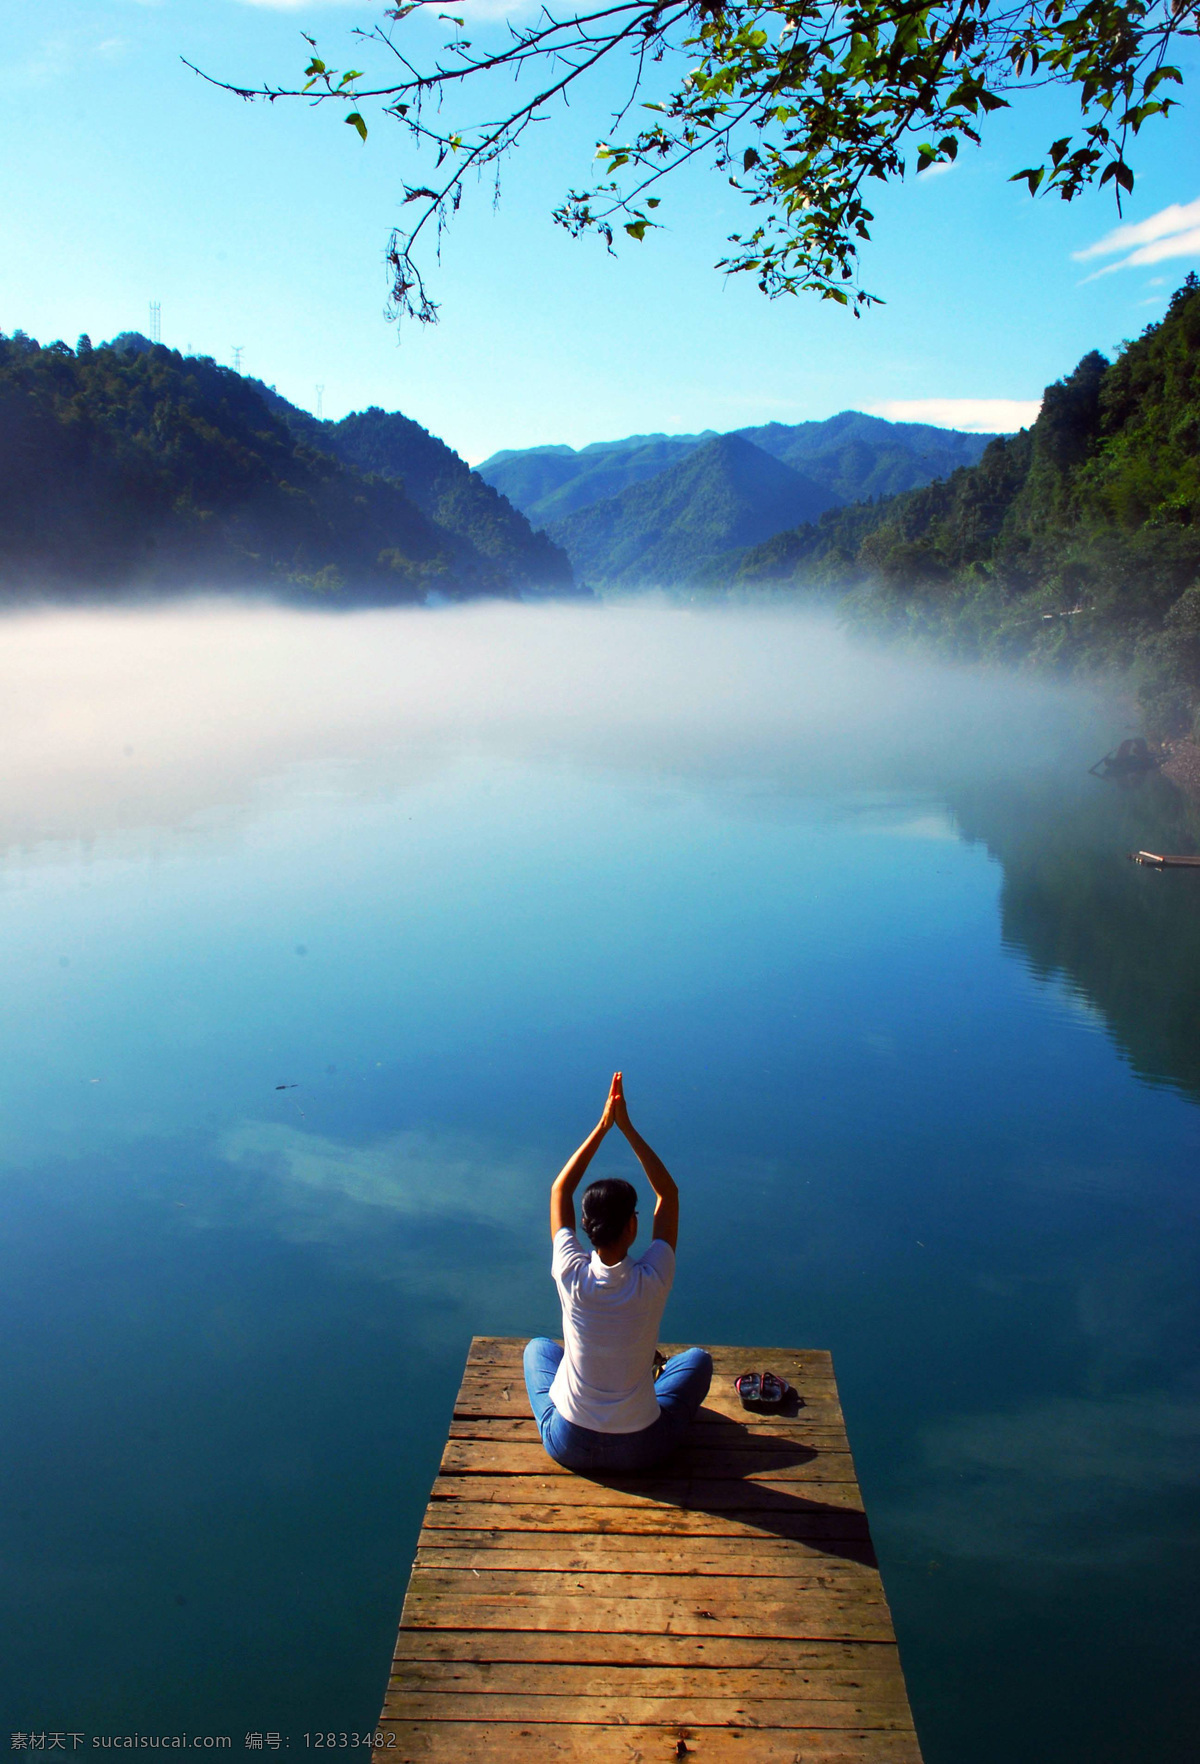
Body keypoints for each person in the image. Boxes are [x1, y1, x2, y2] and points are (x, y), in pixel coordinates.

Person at [523, 1072, 712, 1473]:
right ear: (632, 1226)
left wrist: (602, 1126)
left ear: (586, 1228)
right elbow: (669, 1195)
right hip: (641, 1449)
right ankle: (651, 1385)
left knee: (538, 1349)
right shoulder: (653, 1277)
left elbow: (561, 1191)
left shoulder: (570, 1272)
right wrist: (627, 1127)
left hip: (568, 1443)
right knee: (697, 1362)